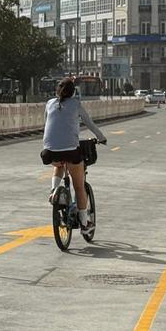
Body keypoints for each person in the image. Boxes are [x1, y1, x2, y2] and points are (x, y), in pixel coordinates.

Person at [41, 77, 106, 232]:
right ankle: (84, 223)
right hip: (71, 150)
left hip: (48, 151)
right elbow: (89, 123)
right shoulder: (76, 104)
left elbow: (46, 124)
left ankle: (54, 192)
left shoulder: (50, 103)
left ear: (57, 90)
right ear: (73, 92)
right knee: (79, 186)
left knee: (58, 163)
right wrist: (101, 137)